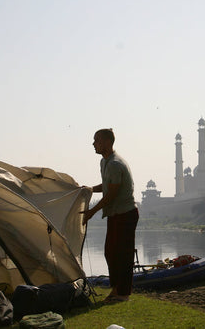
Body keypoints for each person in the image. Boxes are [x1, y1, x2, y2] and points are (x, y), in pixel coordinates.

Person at [81, 128, 139, 303]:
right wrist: (90, 189)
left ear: (107, 142)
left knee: (123, 254)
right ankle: (116, 289)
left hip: (125, 214)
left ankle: (123, 294)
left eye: (96, 140)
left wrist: (91, 212)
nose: (93, 144)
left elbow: (111, 194)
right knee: (110, 252)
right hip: (115, 214)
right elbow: (107, 185)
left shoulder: (114, 164)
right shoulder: (104, 162)